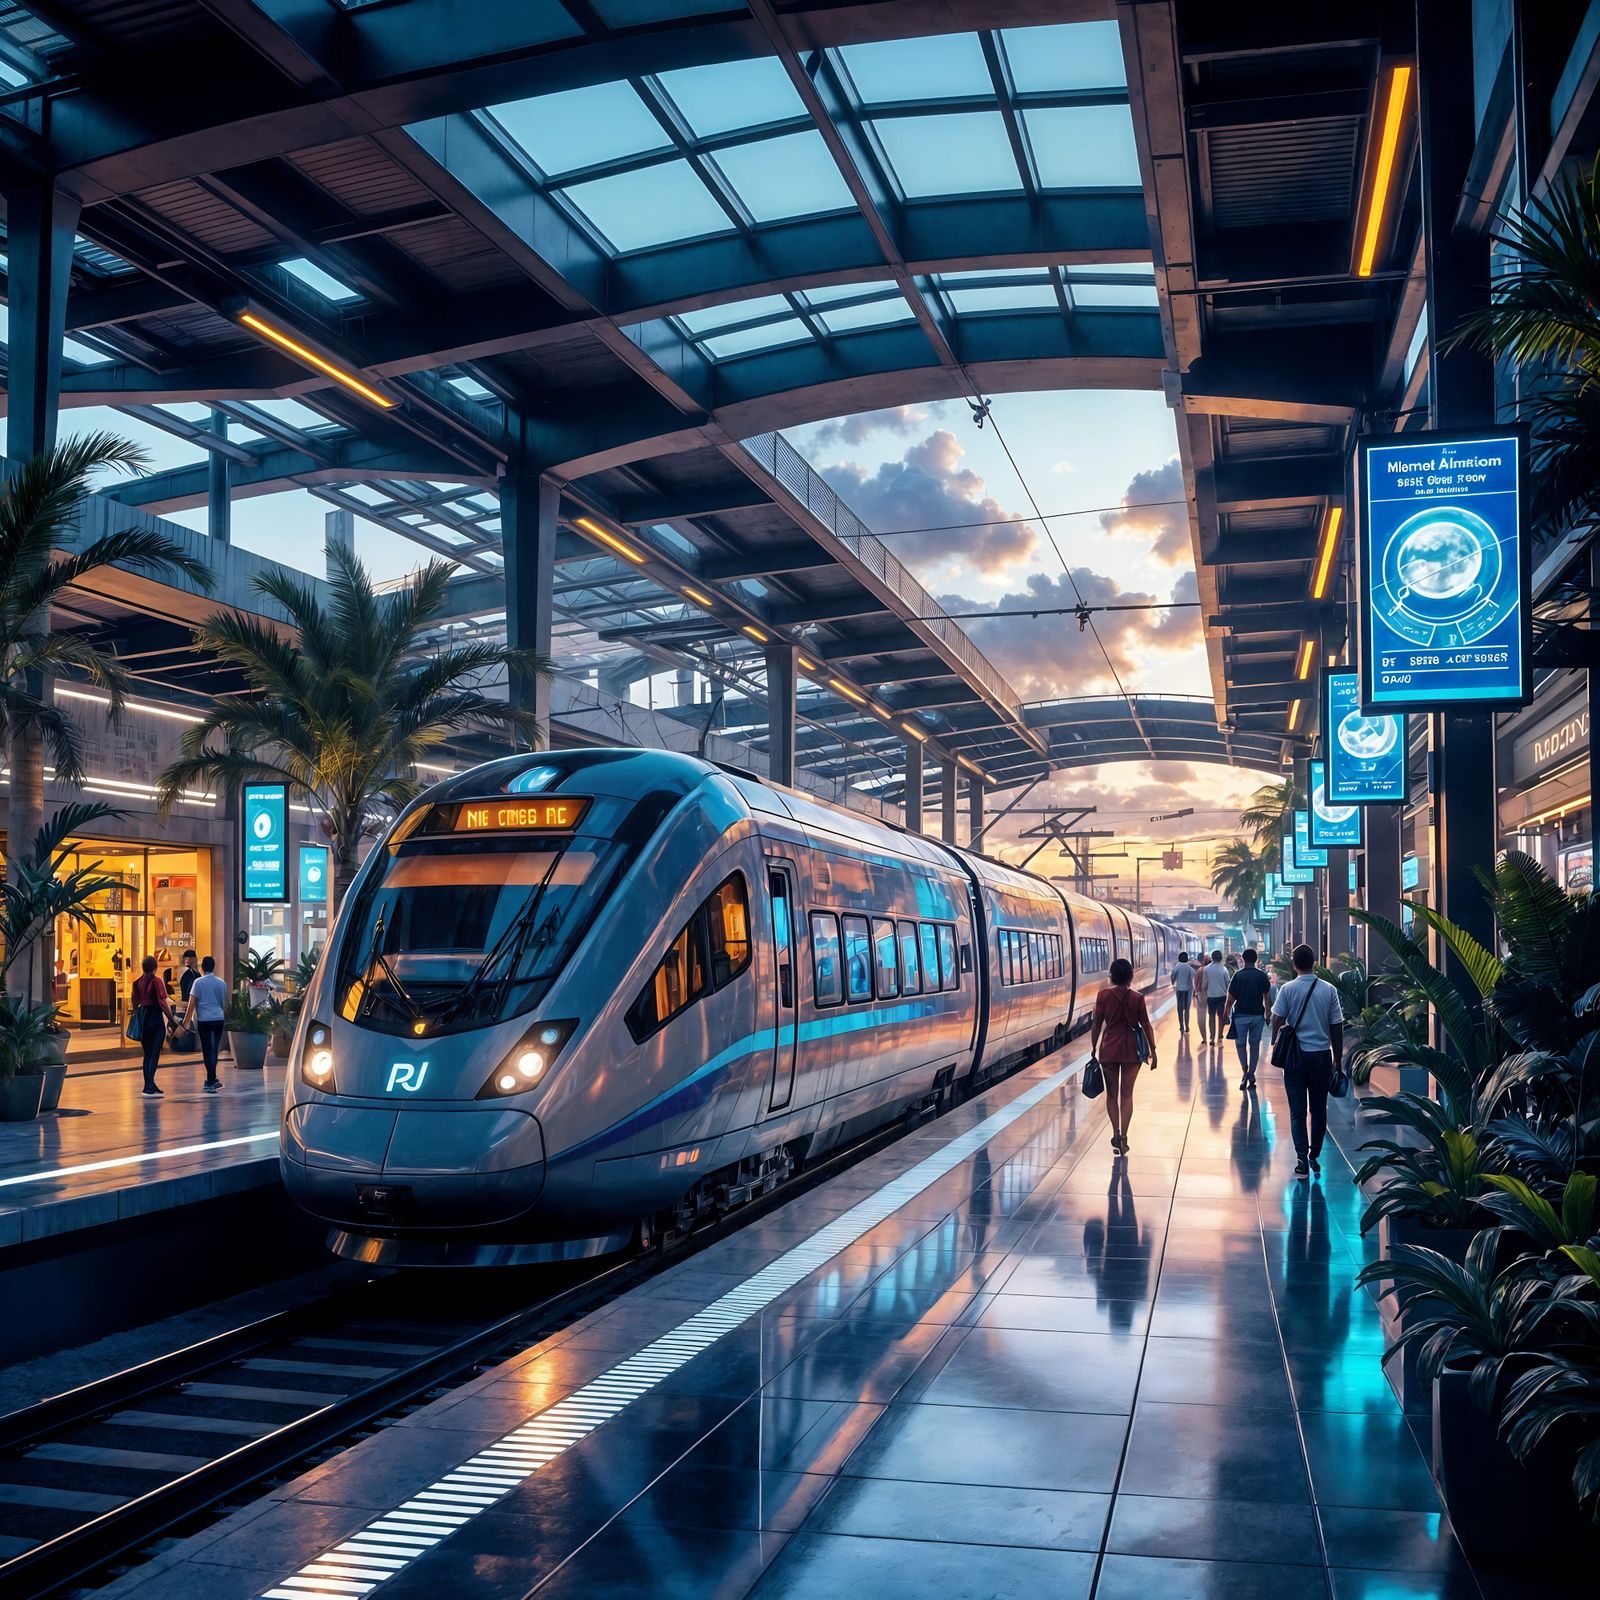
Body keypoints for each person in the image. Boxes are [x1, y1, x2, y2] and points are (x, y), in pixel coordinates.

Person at [1271, 943, 1345, 1177]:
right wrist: (1337, 1059)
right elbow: (1336, 1026)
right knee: (1318, 1109)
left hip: (1294, 1057)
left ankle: (1301, 1159)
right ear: (1314, 963)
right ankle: (1315, 1155)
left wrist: (1274, 1041)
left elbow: (1276, 1018)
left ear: (1294, 965)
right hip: (1321, 1057)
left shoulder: (1288, 989)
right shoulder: (1329, 990)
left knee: (1297, 1110)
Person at [1090, 957, 1158, 1155]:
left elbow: (1096, 1024)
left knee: (1112, 1095)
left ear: (1111, 976)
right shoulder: (1137, 998)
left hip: (1109, 1048)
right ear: (1130, 976)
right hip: (1132, 1050)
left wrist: (1093, 1047)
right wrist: (1153, 1050)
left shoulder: (1102, 996)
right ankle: (1125, 1138)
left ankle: (1116, 1133)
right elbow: (1146, 1025)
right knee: (1127, 1095)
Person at [1224, 946, 1273, 1090]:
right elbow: (1267, 997)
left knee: (1240, 1045)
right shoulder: (1261, 976)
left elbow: (1230, 999)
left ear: (1244, 960)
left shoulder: (1238, 976)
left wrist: (1226, 1015)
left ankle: (1245, 1072)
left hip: (1240, 1016)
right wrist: (1268, 1015)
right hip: (1257, 1016)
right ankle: (1251, 1073)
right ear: (1256, 960)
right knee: (1254, 1046)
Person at [180, 955, 230, 1092]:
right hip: (218, 1018)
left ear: (202, 968)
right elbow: (224, 1003)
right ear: (214, 967)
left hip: (204, 1020)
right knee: (214, 1050)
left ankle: (210, 1081)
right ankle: (213, 1079)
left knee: (207, 1050)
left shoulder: (198, 983)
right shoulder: (221, 983)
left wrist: (185, 1023)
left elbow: (191, 1004)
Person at [130, 955, 176, 1097]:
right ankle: (149, 1086)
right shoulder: (157, 981)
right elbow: (162, 1002)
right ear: (155, 968)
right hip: (155, 1018)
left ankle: (149, 1084)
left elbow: (134, 1001)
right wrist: (172, 1020)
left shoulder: (137, 982)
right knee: (155, 1053)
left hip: (143, 1017)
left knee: (148, 1053)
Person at [1201, 950, 1230, 1042]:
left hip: (1211, 996)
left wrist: (1204, 991)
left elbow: (1205, 983)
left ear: (1212, 958)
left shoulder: (1207, 969)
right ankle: (1220, 1034)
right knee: (1220, 1016)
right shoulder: (1224, 969)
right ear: (1221, 958)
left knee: (1211, 1016)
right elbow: (1228, 983)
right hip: (1222, 996)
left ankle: (1212, 1038)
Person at [1170, 951, 1194, 1034]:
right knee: (1187, 1009)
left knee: (1180, 1009)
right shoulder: (1189, 967)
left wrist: (1173, 982)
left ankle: (1181, 1026)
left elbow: (1172, 976)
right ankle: (1187, 1026)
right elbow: (1194, 975)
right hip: (1188, 990)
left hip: (1179, 990)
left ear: (1179, 958)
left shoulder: (1177, 966)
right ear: (1187, 958)